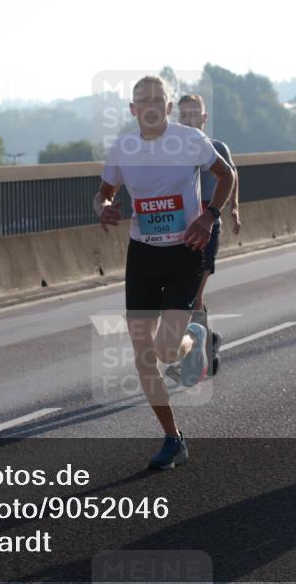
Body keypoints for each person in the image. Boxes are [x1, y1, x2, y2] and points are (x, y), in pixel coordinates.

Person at [95, 76, 235, 470]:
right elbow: (104, 191)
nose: (151, 106)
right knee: (144, 356)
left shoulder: (190, 140)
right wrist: (102, 206)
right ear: (133, 110)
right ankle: (173, 438)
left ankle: (193, 337)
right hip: (142, 254)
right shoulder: (123, 148)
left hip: (185, 252)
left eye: (158, 99)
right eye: (143, 100)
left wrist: (209, 216)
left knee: (165, 351)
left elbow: (227, 176)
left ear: (169, 107)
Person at [173, 93, 240, 377]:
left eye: (194, 114)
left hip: (209, 225)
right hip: (181, 228)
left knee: (193, 294)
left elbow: (232, 176)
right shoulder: (173, 150)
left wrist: (234, 208)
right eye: (184, 115)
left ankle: (194, 360)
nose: (189, 119)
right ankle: (208, 342)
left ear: (204, 118)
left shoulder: (216, 147)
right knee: (189, 296)